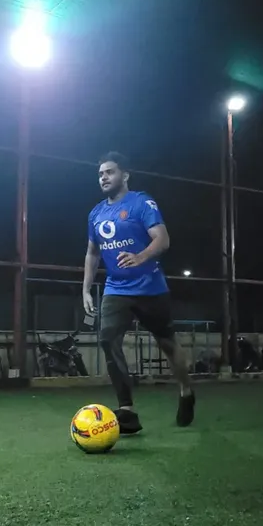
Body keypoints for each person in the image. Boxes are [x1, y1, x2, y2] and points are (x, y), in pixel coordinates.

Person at [82, 152, 195, 434]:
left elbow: (163, 239)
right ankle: (127, 411)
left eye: (109, 172)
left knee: (168, 345)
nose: (104, 177)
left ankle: (186, 391)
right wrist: (85, 289)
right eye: (100, 174)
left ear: (125, 175)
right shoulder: (96, 213)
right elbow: (92, 253)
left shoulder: (141, 202)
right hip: (115, 289)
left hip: (150, 288)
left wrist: (140, 257)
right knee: (108, 340)